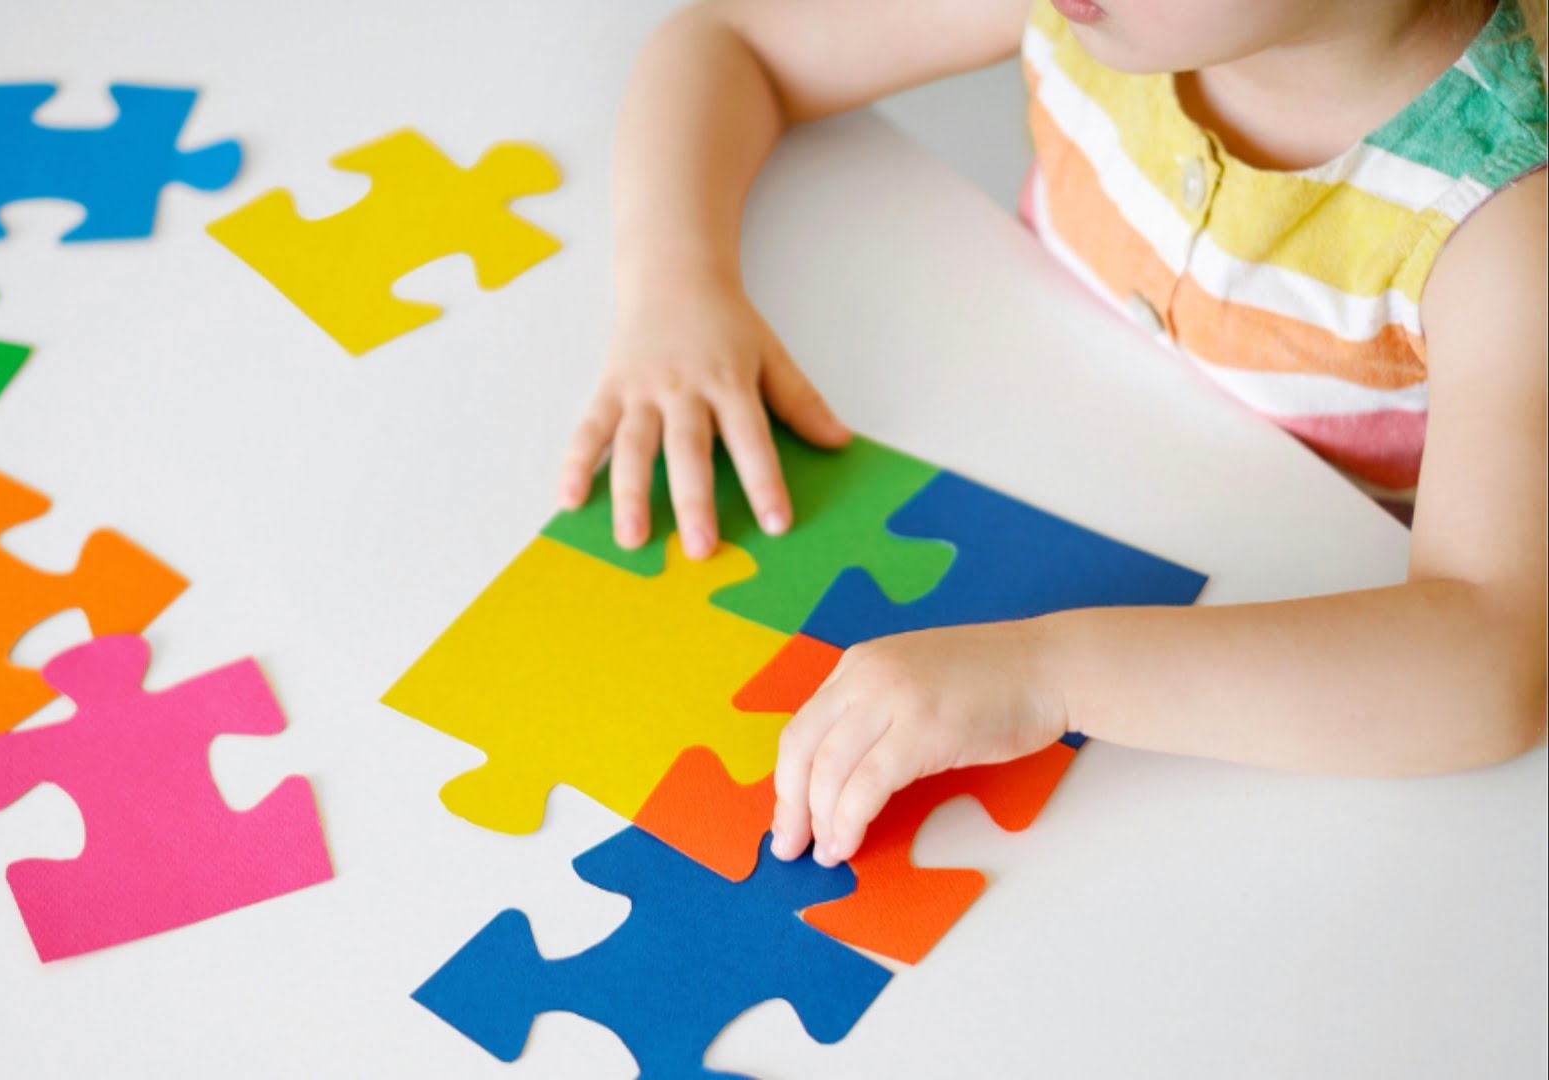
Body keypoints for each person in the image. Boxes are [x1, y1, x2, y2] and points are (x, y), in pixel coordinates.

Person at [554, 0, 1547, 868]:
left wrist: (1050, 677)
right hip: (1033, 507)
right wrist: (676, 287)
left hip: (1278, 679)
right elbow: (728, 39)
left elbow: (1495, 661)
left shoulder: (1505, 217)